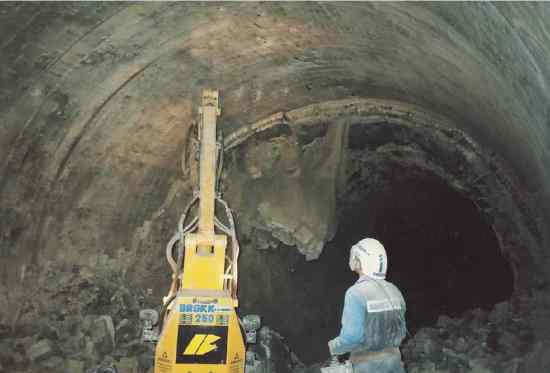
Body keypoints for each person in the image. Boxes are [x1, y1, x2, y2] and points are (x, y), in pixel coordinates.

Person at [328, 238, 407, 373]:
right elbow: (402, 330)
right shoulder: (394, 290)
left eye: (356, 257)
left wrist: (334, 346)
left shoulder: (355, 293)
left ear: (362, 262)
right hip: (394, 363)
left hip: (367, 366)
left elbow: (352, 337)